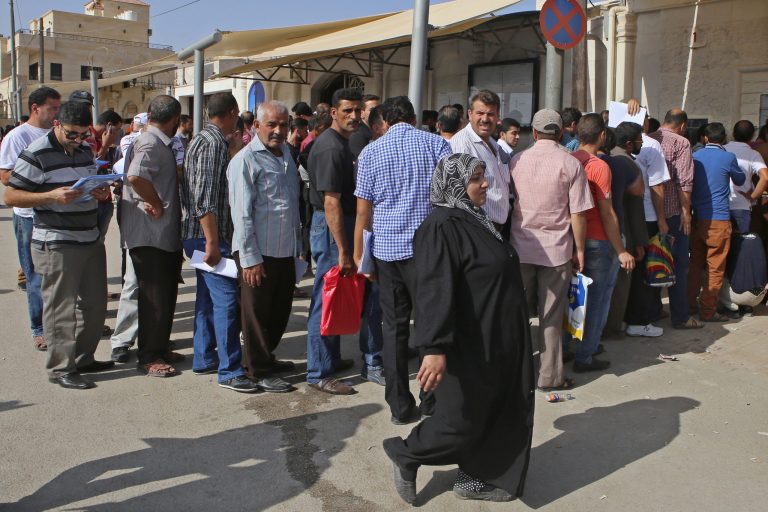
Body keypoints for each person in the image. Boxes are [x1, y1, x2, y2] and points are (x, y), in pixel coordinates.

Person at [383, 153, 534, 504]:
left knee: (496, 409)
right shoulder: (441, 226)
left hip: (496, 338)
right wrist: (433, 348)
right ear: (454, 183)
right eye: (476, 178)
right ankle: (406, 453)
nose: (485, 184)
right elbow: (433, 290)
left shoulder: (474, 218)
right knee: (460, 420)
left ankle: (478, 475)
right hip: (468, 342)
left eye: (484, 176)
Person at [354, 96, 451, 423]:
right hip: (428, 251)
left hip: (387, 253)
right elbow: (450, 197)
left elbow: (363, 211)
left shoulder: (370, 152)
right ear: (413, 119)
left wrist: (359, 253)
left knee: (393, 328)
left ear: (384, 121)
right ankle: (431, 399)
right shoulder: (436, 145)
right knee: (428, 325)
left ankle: (399, 406)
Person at [5, 100, 114, 389]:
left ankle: (83, 357)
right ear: (57, 125)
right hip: (56, 241)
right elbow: (11, 196)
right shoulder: (36, 153)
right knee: (60, 308)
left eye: (83, 134)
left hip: (89, 237)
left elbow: (88, 182)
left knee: (95, 304)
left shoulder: (85, 149)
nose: (78, 139)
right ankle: (60, 367)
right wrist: (51, 196)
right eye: (72, 134)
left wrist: (99, 190)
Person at [179, 93, 259, 393]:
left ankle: (204, 356)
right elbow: (205, 199)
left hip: (201, 235)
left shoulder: (204, 140)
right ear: (233, 112)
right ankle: (230, 370)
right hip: (207, 237)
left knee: (208, 298)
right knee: (226, 300)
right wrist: (212, 241)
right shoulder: (212, 143)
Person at [306, 88, 382, 395]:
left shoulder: (344, 142)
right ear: (334, 113)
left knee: (336, 297)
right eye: (347, 110)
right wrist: (344, 250)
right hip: (332, 228)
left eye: (357, 110)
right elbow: (331, 203)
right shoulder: (330, 148)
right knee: (326, 298)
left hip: (342, 225)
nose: (353, 116)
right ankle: (319, 373)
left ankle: (330, 360)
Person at [510, 108, 592, 390]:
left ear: (534, 133)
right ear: (560, 133)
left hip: (521, 248)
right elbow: (578, 213)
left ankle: (516, 374)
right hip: (557, 251)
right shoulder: (571, 164)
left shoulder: (516, 160)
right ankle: (550, 377)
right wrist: (579, 250)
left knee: (518, 315)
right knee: (551, 317)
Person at [227, 100, 303, 393]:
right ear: (256, 126)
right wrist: (250, 258)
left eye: (283, 124)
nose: (278, 130)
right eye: (271, 124)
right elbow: (242, 214)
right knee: (256, 315)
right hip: (258, 253)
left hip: (285, 249)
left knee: (279, 312)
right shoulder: (245, 161)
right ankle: (257, 370)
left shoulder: (286, 155)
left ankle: (266, 358)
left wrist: (298, 247)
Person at [120, 95, 184, 378]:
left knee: (164, 294)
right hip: (150, 235)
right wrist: (155, 202)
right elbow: (136, 176)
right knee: (154, 297)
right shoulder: (150, 142)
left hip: (160, 234)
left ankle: (159, 347)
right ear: (175, 120)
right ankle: (149, 356)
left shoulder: (158, 141)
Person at [567, 114, 635, 372]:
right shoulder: (599, 166)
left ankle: (569, 348)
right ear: (603, 135)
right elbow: (607, 213)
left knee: (574, 298)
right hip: (598, 241)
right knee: (597, 301)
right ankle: (587, 354)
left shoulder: (569, 160)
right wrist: (621, 250)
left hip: (574, 239)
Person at [0, 86, 61, 352]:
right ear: (35, 108)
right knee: (35, 275)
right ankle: (39, 329)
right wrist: (41, 183)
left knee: (60, 273)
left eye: (58, 108)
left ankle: (62, 322)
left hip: (57, 213)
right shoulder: (17, 136)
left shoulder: (57, 133)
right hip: (28, 216)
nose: (57, 113)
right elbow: (5, 175)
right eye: (52, 108)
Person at [649, 109, 702, 329]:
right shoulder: (682, 143)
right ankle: (680, 316)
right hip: (672, 214)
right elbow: (684, 182)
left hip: (649, 214)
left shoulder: (648, 139)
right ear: (682, 126)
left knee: (654, 262)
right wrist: (686, 213)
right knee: (679, 265)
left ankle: (653, 310)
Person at [606, 122, 660, 337]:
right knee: (625, 284)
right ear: (629, 143)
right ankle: (622, 325)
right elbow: (636, 209)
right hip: (625, 232)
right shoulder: (629, 165)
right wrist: (640, 242)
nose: (642, 144)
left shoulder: (607, 158)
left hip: (605, 231)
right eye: (639, 140)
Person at [688, 122, 746, 322]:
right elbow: (740, 180)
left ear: (705, 138)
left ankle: (689, 306)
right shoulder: (728, 157)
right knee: (715, 267)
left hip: (696, 219)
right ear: (724, 138)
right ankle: (708, 311)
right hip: (719, 220)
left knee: (695, 265)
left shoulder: (695, 156)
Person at [449, 90, 511, 235]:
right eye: (480, 113)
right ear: (470, 114)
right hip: (477, 227)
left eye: (490, 114)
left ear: (498, 116)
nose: (485, 119)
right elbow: (459, 192)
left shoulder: (493, 144)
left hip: (495, 227)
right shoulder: (463, 143)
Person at [725, 120, 768, 233]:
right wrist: (753, 197)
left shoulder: (722, 150)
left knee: (722, 242)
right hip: (742, 205)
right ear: (752, 136)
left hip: (721, 205)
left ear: (733, 133)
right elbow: (765, 177)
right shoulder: (753, 154)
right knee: (742, 241)